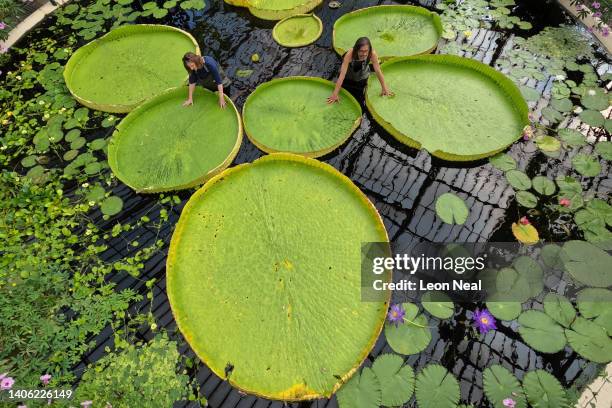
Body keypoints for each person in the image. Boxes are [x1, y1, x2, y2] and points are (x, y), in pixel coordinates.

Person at [327, 37, 394, 104]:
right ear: (356, 50)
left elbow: (378, 71)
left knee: (360, 97)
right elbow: (342, 75)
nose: (364, 54)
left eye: (366, 51)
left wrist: (384, 88)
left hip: (363, 75)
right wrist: (335, 94)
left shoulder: (372, 53)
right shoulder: (350, 54)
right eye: (361, 51)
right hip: (348, 75)